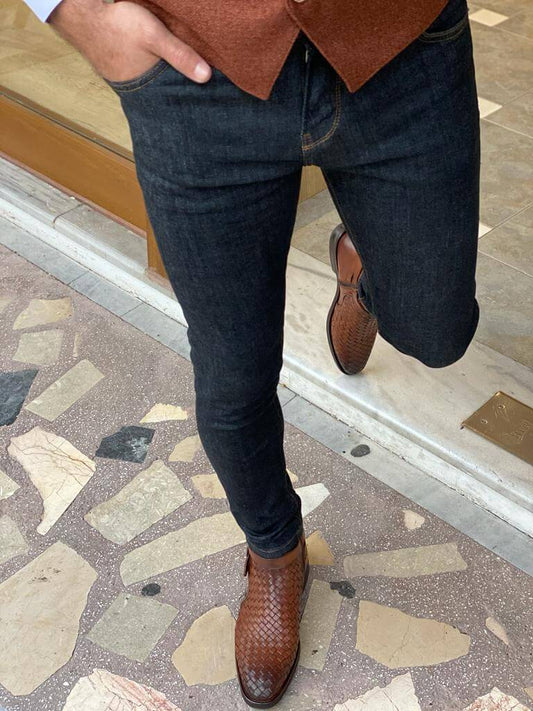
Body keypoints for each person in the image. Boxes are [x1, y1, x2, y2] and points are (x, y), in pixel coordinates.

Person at [20, 0, 481, 705]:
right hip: (195, 72)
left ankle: (365, 273)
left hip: (402, 46)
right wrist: (72, 10)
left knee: (437, 332)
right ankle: (274, 551)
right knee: (233, 379)